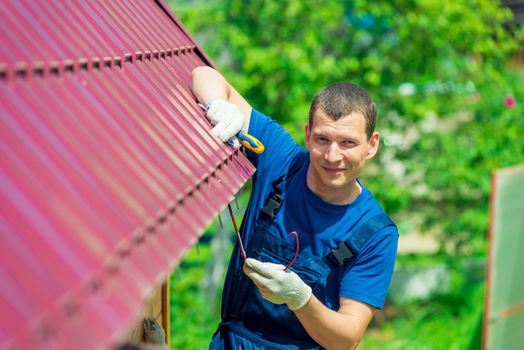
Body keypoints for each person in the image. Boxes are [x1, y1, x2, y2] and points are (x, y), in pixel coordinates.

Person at [192, 66, 398, 350]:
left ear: (371, 145)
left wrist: (301, 299)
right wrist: (219, 106)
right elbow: (204, 74)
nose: (332, 156)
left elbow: (347, 339)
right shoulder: (281, 160)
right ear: (308, 135)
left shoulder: (375, 233)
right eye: (323, 139)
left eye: (348, 143)